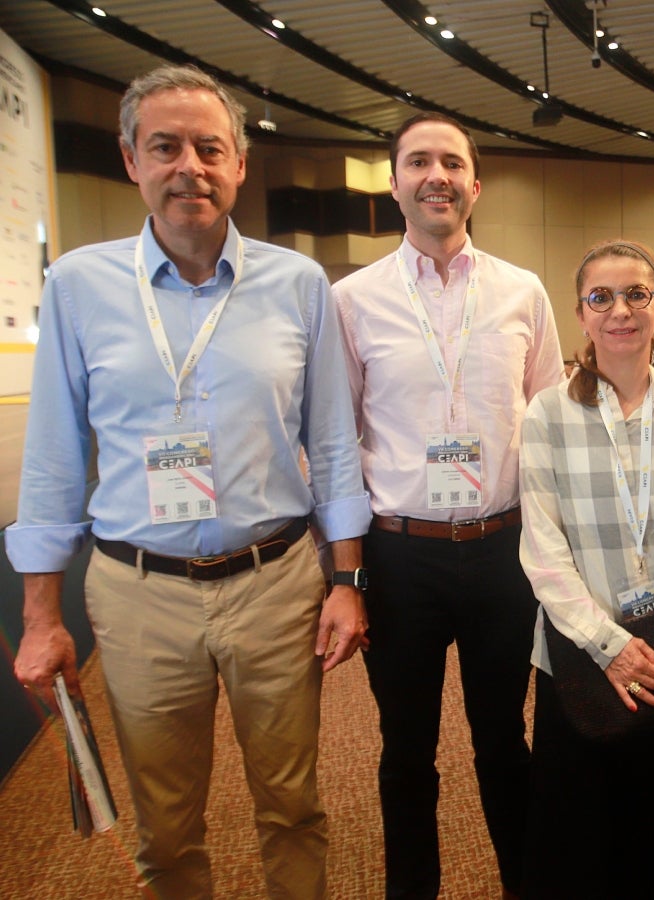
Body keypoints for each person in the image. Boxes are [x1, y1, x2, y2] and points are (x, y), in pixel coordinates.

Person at [7, 65, 371, 897]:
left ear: (240, 164)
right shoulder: (78, 286)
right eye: (165, 147)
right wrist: (39, 617)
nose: (189, 168)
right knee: (165, 826)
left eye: (211, 149)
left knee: (292, 806)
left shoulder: (298, 284)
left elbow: (334, 445)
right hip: (139, 594)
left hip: (275, 584)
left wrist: (345, 578)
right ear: (131, 160)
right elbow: (55, 462)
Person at [333, 112, 564, 900]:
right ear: (394, 183)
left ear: (475, 183)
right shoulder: (352, 300)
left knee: (505, 740)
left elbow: (551, 425)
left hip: (503, 553)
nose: (437, 174)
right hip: (401, 556)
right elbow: (336, 448)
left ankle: (524, 884)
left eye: (453, 162)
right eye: (418, 161)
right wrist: (348, 577)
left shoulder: (522, 292)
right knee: (406, 750)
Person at [518, 240, 654, 899]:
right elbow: (542, 550)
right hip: (579, 654)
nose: (620, 310)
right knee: (582, 842)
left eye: (636, 294)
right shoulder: (548, 412)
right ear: (580, 313)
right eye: (601, 297)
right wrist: (609, 645)